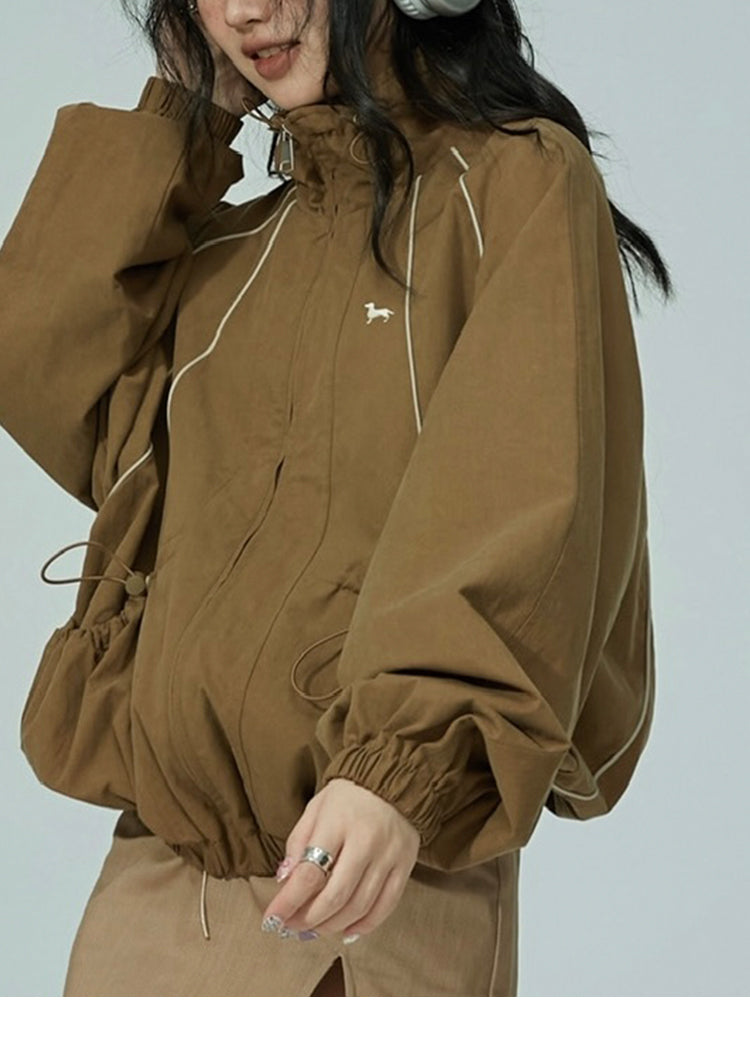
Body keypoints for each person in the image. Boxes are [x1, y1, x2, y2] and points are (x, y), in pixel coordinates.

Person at [0, 0, 673, 997]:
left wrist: (400, 766)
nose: (245, 10)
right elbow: (48, 375)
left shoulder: (514, 183)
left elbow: (521, 502)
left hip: (361, 881)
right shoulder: (235, 249)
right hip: (151, 881)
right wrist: (186, 111)